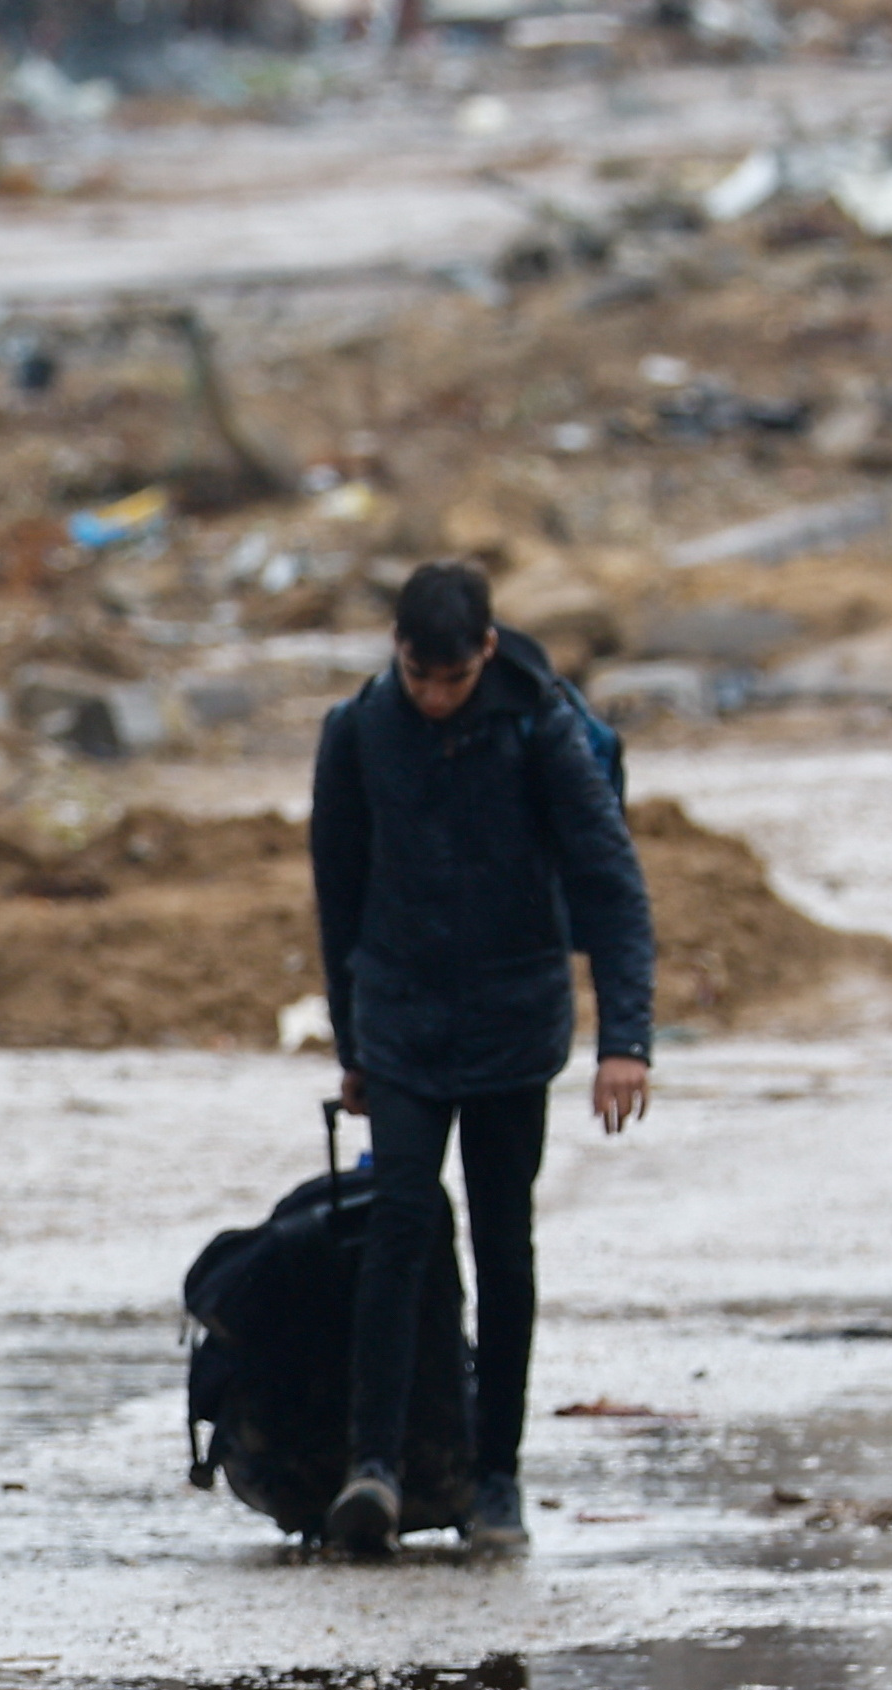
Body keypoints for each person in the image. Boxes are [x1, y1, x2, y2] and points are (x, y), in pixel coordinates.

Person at [311, 559, 655, 1559]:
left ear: (487, 652)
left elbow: (609, 882)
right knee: (399, 1226)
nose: (433, 697)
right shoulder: (359, 732)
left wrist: (624, 1042)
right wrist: (353, 1045)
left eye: (452, 679)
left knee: (504, 1246)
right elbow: (339, 893)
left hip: (513, 1019)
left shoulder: (540, 729)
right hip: (402, 1017)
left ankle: (493, 1476)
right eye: (418, 676)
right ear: (397, 653)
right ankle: (373, 1465)